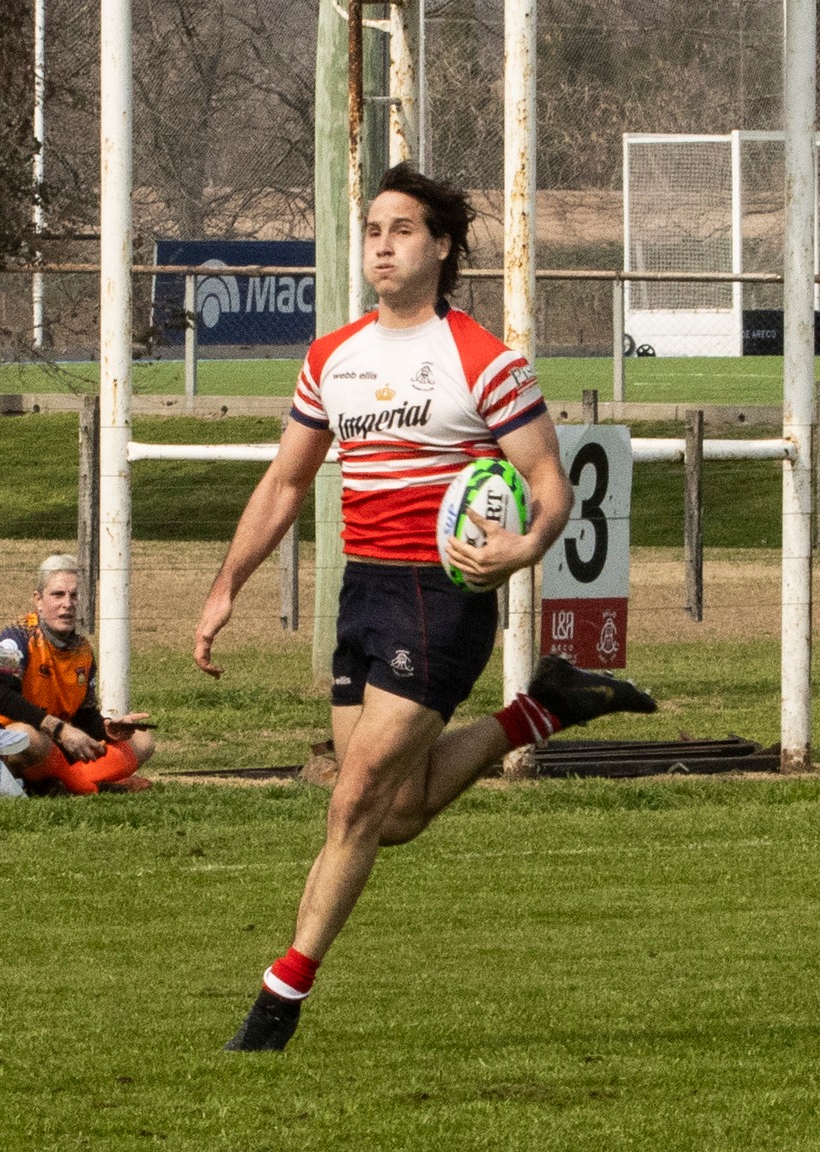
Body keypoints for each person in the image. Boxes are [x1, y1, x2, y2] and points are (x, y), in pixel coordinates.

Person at [192, 163, 658, 1052]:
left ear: (441, 246)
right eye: (373, 229)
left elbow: (549, 484)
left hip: (441, 596)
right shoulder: (333, 357)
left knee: (354, 800)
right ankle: (543, 707)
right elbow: (287, 481)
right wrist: (225, 588)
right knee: (392, 816)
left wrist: (527, 546)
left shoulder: (482, 359)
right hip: (363, 589)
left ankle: (276, 1004)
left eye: (402, 229)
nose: (382, 244)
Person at [0, 554, 154, 795]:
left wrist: (106, 728)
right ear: (38, 600)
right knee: (26, 736)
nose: (67, 603)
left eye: (75, 595)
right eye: (58, 594)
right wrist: (59, 729)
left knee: (142, 740)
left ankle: (58, 784)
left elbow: (84, 716)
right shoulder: (17, 636)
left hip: (53, 743)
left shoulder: (83, 650)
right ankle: (88, 787)